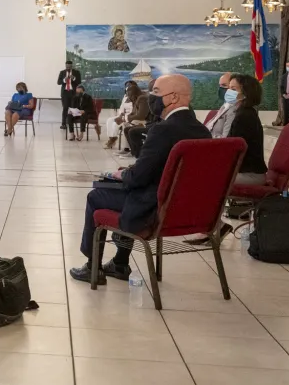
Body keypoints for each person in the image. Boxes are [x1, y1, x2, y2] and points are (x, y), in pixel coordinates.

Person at [69, 74, 210, 283]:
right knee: (126, 190)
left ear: (172, 98)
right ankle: (119, 263)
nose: (150, 97)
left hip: (154, 207)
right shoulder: (203, 132)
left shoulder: (162, 130)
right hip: (183, 209)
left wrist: (123, 174)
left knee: (96, 196)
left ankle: (92, 265)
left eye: (155, 92)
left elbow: (138, 179)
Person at [210, 73, 268, 184]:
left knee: (204, 178)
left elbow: (231, 148)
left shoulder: (244, 116)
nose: (228, 92)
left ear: (245, 92)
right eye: (228, 88)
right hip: (242, 172)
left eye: (233, 89)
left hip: (249, 175)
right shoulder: (244, 112)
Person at [105, 80, 149, 149]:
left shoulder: (140, 98)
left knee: (123, 125)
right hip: (127, 115)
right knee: (110, 120)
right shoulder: (127, 96)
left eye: (129, 86)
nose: (128, 87)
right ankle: (112, 138)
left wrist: (125, 118)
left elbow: (140, 114)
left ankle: (127, 148)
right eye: (127, 86)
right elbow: (122, 108)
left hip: (136, 118)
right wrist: (121, 115)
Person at [57, 62, 81, 130]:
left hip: (73, 93)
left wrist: (73, 78)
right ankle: (63, 124)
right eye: (67, 67)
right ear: (65, 66)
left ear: (72, 66)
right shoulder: (62, 72)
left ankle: (72, 123)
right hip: (65, 93)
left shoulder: (76, 72)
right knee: (65, 108)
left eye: (69, 67)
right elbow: (58, 82)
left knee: (73, 108)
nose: (68, 68)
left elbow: (79, 82)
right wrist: (64, 80)